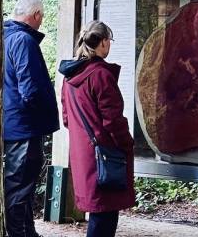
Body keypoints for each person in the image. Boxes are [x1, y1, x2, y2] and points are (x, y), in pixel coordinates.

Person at [59, 20, 135, 237]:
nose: (109, 45)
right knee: (105, 218)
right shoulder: (101, 75)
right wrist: (127, 144)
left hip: (84, 155)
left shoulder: (70, 76)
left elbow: (67, 119)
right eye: (109, 40)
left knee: (99, 214)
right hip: (104, 156)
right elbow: (113, 120)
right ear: (102, 43)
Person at [3, 0, 60, 237]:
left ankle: (28, 232)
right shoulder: (23, 40)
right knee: (18, 189)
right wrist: (40, 117)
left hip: (12, 124)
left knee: (21, 187)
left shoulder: (3, 37)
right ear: (36, 15)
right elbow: (30, 89)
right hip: (24, 127)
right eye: (42, 17)